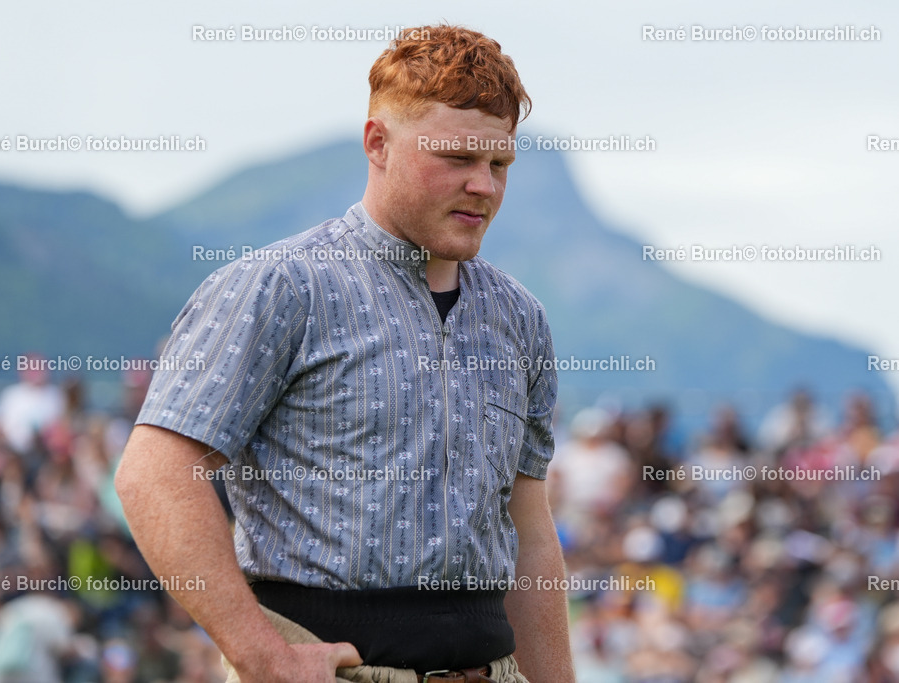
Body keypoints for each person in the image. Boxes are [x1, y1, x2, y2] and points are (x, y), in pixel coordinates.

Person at [115, 24, 575, 683]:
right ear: (378, 143)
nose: (484, 185)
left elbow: (528, 531)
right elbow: (153, 473)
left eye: (498, 164)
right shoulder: (279, 287)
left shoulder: (519, 318)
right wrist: (260, 655)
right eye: (457, 158)